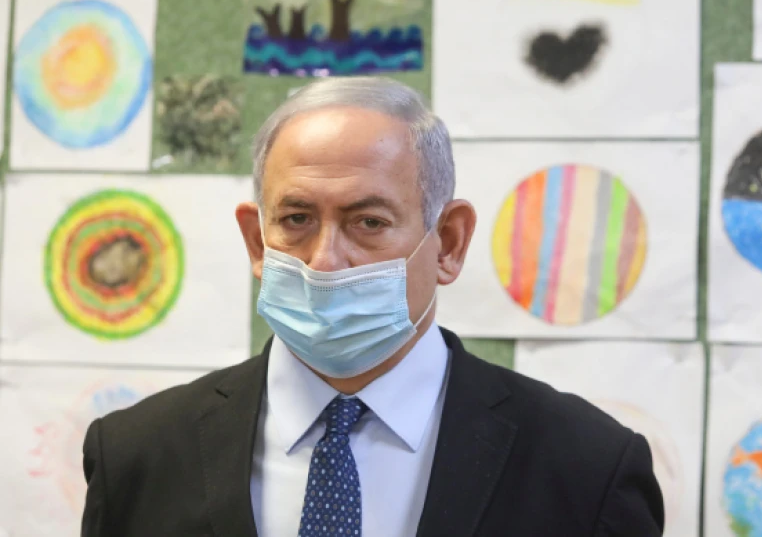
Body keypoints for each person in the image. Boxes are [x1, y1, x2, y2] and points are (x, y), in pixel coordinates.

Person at [80, 76, 664, 536]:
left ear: (450, 243)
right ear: (258, 241)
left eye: (369, 222)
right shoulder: (136, 454)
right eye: (296, 219)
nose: (326, 260)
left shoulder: (587, 468)